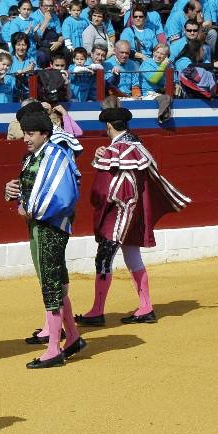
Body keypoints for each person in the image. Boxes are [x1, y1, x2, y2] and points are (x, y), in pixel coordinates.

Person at [75, 107, 191, 327]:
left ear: (108, 126)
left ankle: (97, 311)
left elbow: (104, 188)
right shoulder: (136, 145)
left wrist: (101, 203)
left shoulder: (117, 149)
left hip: (118, 214)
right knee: (131, 254)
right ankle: (145, 307)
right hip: (133, 211)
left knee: (104, 258)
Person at [14, 110, 84, 368]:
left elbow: (63, 197)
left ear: (45, 133)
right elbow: (30, 189)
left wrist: (30, 209)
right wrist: (13, 192)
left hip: (51, 227)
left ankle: (54, 348)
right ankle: (73, 336)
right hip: (40, 226)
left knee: (51, 284)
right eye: (24, 133)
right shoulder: (37, 156)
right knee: (55, 281)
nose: (25, 138)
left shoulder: (55, 155)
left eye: (30, 133)